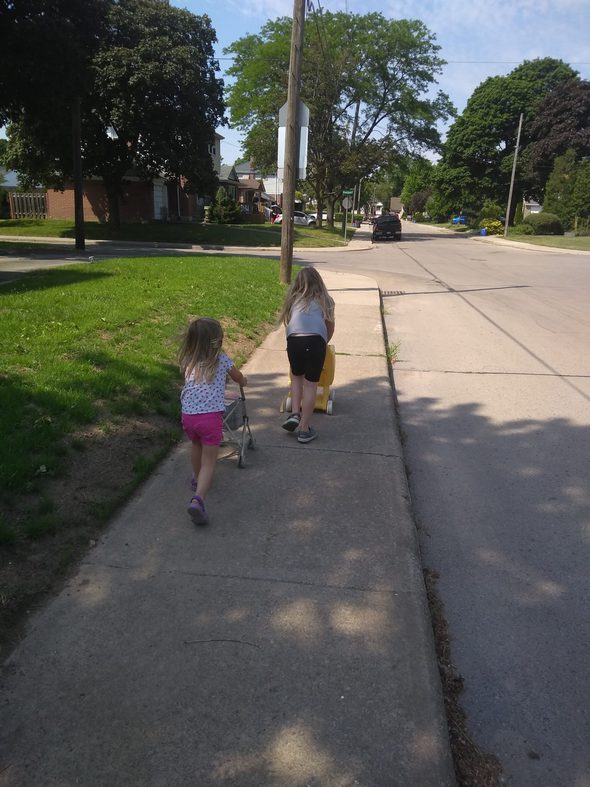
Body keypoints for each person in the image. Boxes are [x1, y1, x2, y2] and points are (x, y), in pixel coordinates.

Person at [179, 317, 248, 525]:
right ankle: (198, 500)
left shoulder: (187, 361)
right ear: (217, 341)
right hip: (210, 417)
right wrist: (244, 381)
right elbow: (238, 377)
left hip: (188, 415)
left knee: (196, 445)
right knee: (210, 461)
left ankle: (196, 477)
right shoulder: (222, 360)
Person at [279, 267, 335, 444]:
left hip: (293, 340)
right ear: (319, 282)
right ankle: (304, 429)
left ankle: (295, 413)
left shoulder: (293, 300)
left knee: (296, 378)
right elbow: (329, 328)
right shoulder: (325, 300)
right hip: (315, 341)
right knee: (311, 385)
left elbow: (289, 323)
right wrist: (322, 345)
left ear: (298, 283)